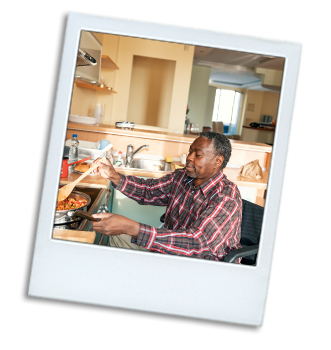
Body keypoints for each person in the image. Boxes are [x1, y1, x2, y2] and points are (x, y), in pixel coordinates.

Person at [92, 132, 242, 263]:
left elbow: (197, 242)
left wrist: (132, 228)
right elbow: (148, 190)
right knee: (116, 237)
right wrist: (114, 176)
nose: (189, 158)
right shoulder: (181, 177)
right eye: (190, 152)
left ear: (218, 161)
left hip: (203, 268)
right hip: (170, 253)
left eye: (197, 154)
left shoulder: (227, 197)